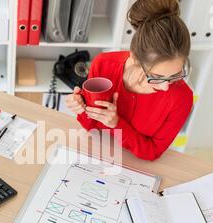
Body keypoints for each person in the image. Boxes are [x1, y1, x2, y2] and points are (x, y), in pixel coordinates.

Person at [66, 0, 193, 161]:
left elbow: (153, 151)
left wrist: (117, 124)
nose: (166, 87)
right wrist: (81, 106)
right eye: (157, 77)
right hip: (96, 154)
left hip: (136, 167)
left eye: (176, 74)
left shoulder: (182, 98)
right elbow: (92, 125)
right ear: (134, 57)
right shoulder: (104, 65)